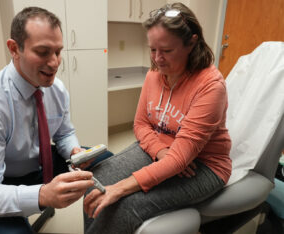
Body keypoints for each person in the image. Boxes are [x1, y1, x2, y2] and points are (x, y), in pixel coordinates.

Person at [83, 2, 232, 233]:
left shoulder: (210, 86)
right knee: (98, 178)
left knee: (125, 204)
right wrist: (162, 152)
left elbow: (181, 160)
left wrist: (121, 188)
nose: (157, 59)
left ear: (191, 43)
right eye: (152, 49)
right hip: (164, 150)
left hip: (204, 166)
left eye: (166, 50)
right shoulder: (155, 73)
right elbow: (141, 124)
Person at [0, 7, 95, 234]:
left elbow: (64, 133)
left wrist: (74, 151)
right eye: (43, 52)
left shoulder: (56, 89)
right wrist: (43, 195)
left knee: (106, 163)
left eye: (58, 52)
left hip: (35, 165)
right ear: (14, 49)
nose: (55, 62)